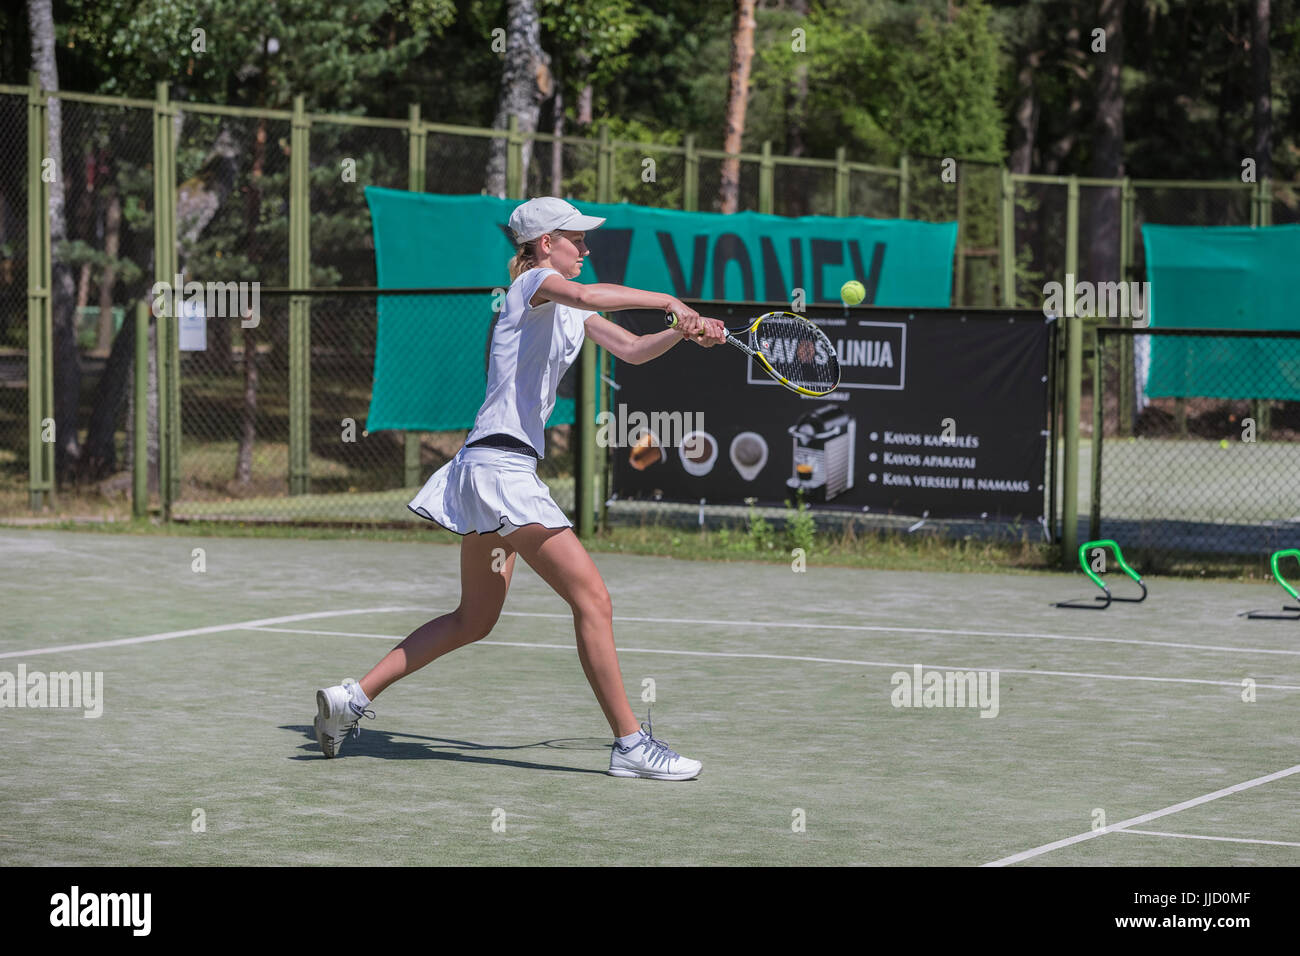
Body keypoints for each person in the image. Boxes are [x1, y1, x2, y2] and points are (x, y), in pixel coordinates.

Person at [314, 196, 725, 780]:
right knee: (593, 600)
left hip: (488, 471)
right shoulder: (534, 283)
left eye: (584, 239)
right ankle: (630, 745)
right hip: (501, 473)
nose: (585, 247)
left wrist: (682, 332)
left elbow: (632, 351)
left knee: (473, 620)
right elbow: (584, 293)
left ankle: (350, 699)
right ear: (541, 246)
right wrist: (669, 301)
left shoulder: (566, 307)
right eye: (574, 238)